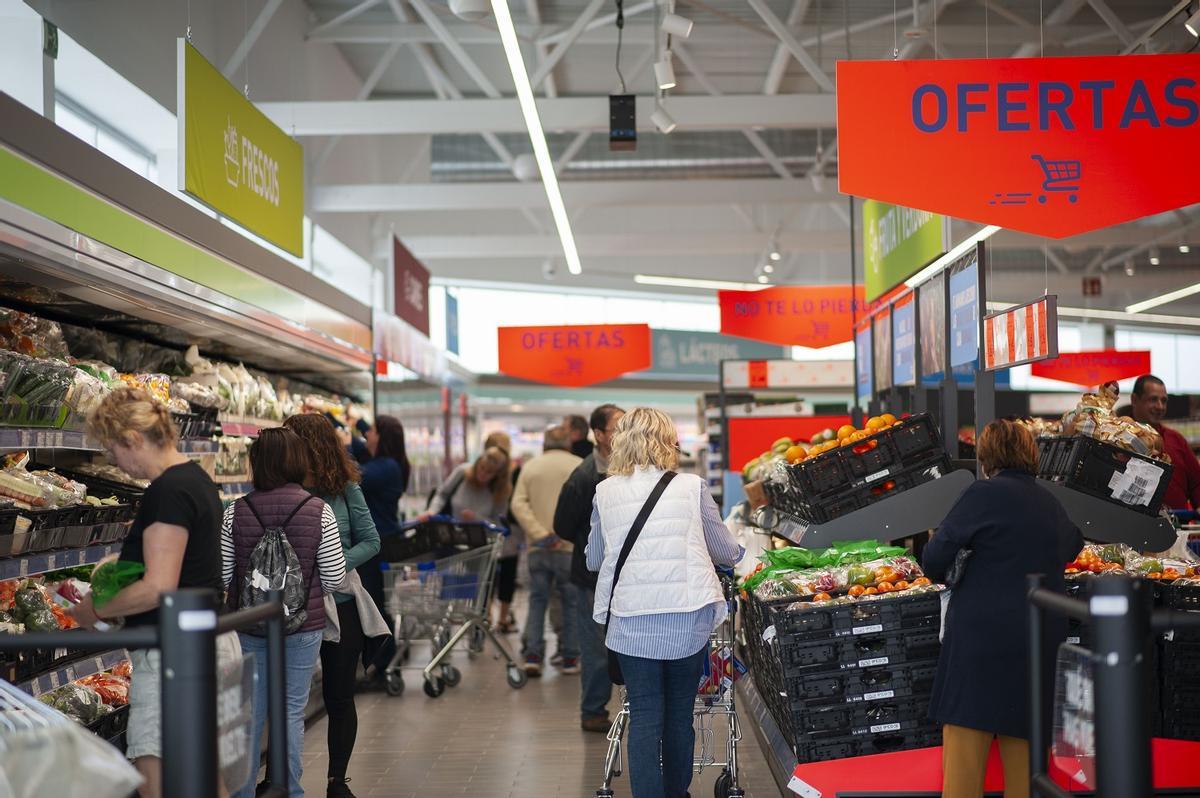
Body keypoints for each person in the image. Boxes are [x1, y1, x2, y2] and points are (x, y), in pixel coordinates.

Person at [68, 388, 228, 798]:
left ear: (133, 439)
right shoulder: (197, 480)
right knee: (204, 770)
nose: (113, 461)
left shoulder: (168, 491)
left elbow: (159, 587)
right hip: (198, 642)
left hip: (169, 653)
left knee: (153, 768)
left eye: (112, 449)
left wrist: (95, 609)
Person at [922, 419, 1083, 798]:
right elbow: (1072, 545)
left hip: (981, 644)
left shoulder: (981, 495)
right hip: (1037, 643)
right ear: (1030, 455)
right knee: (1026, 773)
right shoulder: (1049, 502)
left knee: (964, 765)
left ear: (986, 457)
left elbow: (933, 559)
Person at [587, 408, 742, 798]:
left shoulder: (605, 492)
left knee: (643, 716)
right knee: (678, 715)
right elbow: (724, 550)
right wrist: (742, 554)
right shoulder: (691, 486)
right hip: (686, 618)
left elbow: (593, 558)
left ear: (621, 440)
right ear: (667, 440)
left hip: (631, 620)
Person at [222, 428, 347, 798]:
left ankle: (242, 792)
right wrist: (303, 593)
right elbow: (336, 576)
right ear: (298, 462)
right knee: (292, 710)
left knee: (250, 714)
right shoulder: (319, 511)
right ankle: (290, 791)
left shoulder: (235, 511)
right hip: (302, 624)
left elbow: (221, 576)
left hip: (248, 625)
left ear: (257, 463)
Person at [283, 414, 381, 798]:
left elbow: (371, 541)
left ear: (309, 443)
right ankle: (279, 776)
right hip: (293, 608)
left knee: (339, 696)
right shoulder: (280, 487)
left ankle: (336, 781)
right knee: (289, 698)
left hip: (340, 603)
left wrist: (333, 566)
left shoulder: (344, 489)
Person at [554, 403, 625, 731]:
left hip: (626, 577)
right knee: (596, 647)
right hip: (591, 577)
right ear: (598, 435)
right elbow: (563, 525)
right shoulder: (584, 477)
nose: (625, 435)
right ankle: (593, 711)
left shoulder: (629, 470)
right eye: (617, 428)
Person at [511, 426, 582, 676]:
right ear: (568, 443)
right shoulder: (578, 466)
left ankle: (533, 655)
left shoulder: (531, 467)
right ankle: (571, 657)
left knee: (537, 600)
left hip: (538, 549)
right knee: (571, 603)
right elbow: (587, 506)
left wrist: (540, 533)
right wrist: (563, 533)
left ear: (544, 443)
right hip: (568, 548)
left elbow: (518, 504)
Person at [356, 415, 411, 686]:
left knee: (376, 605)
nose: (368, 435)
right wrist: (358, 424)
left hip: (378, 545)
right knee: (377, 603)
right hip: (381, 541)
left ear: (383, 437)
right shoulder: (387, 464)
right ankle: (384, 663)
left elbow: (352, 476)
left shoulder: (385, 466)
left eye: (373, 432)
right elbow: (360, 445)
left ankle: (386, 664)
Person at [1129, 374, 1200, 509]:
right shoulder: (1118, 439)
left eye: (1164, 400)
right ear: (1134, 399)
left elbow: (1197, 483)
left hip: (1178, 526)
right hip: (1132, 525)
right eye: (1153, 399)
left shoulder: (1176, 440)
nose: (1160, 406)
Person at [484, 431, 523, 633]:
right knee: (508, 574)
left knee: (487, 574)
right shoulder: (516, 473)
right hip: (509, 531)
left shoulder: (482, 471)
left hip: (485, 530)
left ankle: (487, 615)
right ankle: (503, 618)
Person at [420, 445, 511, 523]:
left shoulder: (500, 492)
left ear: (497, 475)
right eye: (481, 467)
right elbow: (442, 494)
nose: (482, 473)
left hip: (483, 540)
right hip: (451, 532)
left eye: (489, 472)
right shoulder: (463, 472)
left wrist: (476, 519)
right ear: (477, 463)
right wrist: (431, 511)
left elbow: (498, 525)